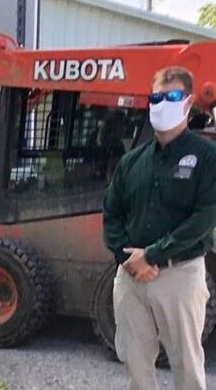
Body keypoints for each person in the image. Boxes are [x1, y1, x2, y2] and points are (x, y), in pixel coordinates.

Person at [103, 67, 216, 390]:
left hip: (178, 276)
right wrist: (126, 258)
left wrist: (152, 255)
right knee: (136, 365)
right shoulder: (133, 161)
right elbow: (111, 212)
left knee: (186, 366)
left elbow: (204, 218)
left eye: (172, 96)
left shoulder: (207, 157)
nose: (162, 103)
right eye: (156, 97)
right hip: (131, 277)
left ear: (188, 102)